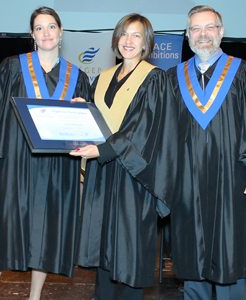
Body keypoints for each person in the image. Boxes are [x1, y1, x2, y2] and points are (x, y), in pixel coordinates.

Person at [167, 5, 246, 300]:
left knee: (228, 258)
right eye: (196, 29)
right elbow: (160, 133)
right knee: (193, 259)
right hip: (187, 183)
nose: (203, 35)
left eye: (209, 28)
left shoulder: (244, 72)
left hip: (232, 178)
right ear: (187, 34)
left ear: (221, 31)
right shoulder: (173, 78)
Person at [70, 13, 178, 300]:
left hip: (133, 175)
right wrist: (83, 110)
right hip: (102, 173)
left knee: (129, 251)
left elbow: (144, 128)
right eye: (124, 34)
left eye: (136, 35)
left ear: (146, 44)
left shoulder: (155, 79)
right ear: (116, 39)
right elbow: (100, 122)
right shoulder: (103, 77)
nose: (128, 41)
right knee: (103, 246)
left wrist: (102, 150)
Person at [0, 6, 90, 300]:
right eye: (39, 28)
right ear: (32, 35)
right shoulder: (11, 66)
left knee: (45, 234)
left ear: (61, 33)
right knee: (3, 233)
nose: (46, 33)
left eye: (51, 27)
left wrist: (83, 110)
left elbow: (85, 131)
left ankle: (34, 297)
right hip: (17, 163)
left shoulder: (78, 77)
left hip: (56, 167)